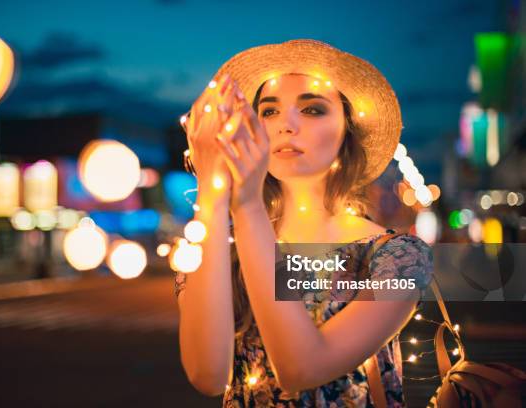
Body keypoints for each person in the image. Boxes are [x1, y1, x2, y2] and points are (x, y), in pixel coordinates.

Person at [175, 39, 433, 407]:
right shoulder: (217, 244)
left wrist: (247, 205)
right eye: (268, 112)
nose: (286, 125)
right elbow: (208, 375)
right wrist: (212, 194)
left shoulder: (400, 256)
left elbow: (301, 369)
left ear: (348, 131)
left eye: (312, 109)